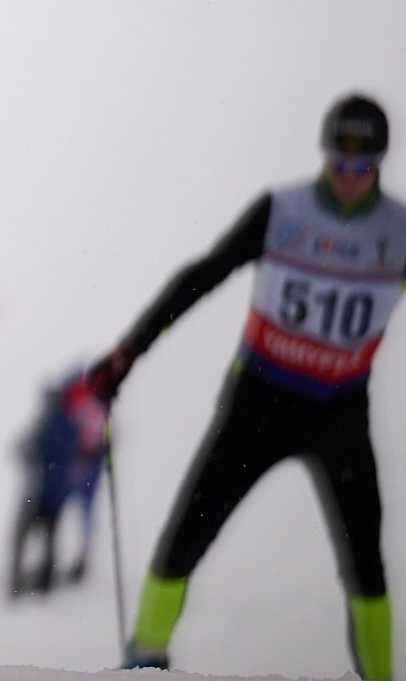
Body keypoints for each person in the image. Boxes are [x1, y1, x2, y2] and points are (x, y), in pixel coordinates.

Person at [86, 95, 402, 677]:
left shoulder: (399, 231)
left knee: (365, 563)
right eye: (340, 164)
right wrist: (130, 350)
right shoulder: (283, 210)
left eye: (365, 167)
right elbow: (203, 276)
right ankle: (144, 658)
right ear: (326, 156)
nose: (351, 178)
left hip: (339, 412)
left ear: (380, 163)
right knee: (185, 537)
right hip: (261, 400)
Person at [7, 369, 107, 599]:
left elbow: (24, 448)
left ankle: (22, 579)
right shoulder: (72, 425)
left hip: (38, 492)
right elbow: (86, 452)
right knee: (48, 537)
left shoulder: (47, 424)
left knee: (24, 535)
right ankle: (44, 578)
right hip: (56, 493)